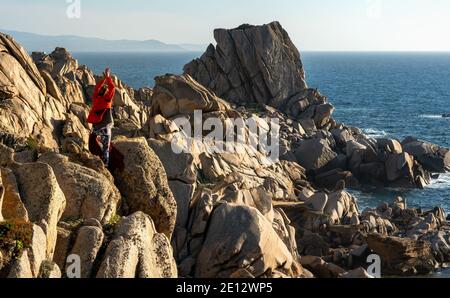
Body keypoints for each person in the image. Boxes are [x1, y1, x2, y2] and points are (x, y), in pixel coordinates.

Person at [87, 67, 115, 166]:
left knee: (95, 145)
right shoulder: (107, 101)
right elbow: (112, 87)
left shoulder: (95, 98)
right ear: (106, 94)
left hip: (95, 128)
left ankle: (94, 160)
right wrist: (108, 77)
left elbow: (97, 87)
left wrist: (103, 79)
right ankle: (105, 165)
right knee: (106, 148)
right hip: (104, 129)